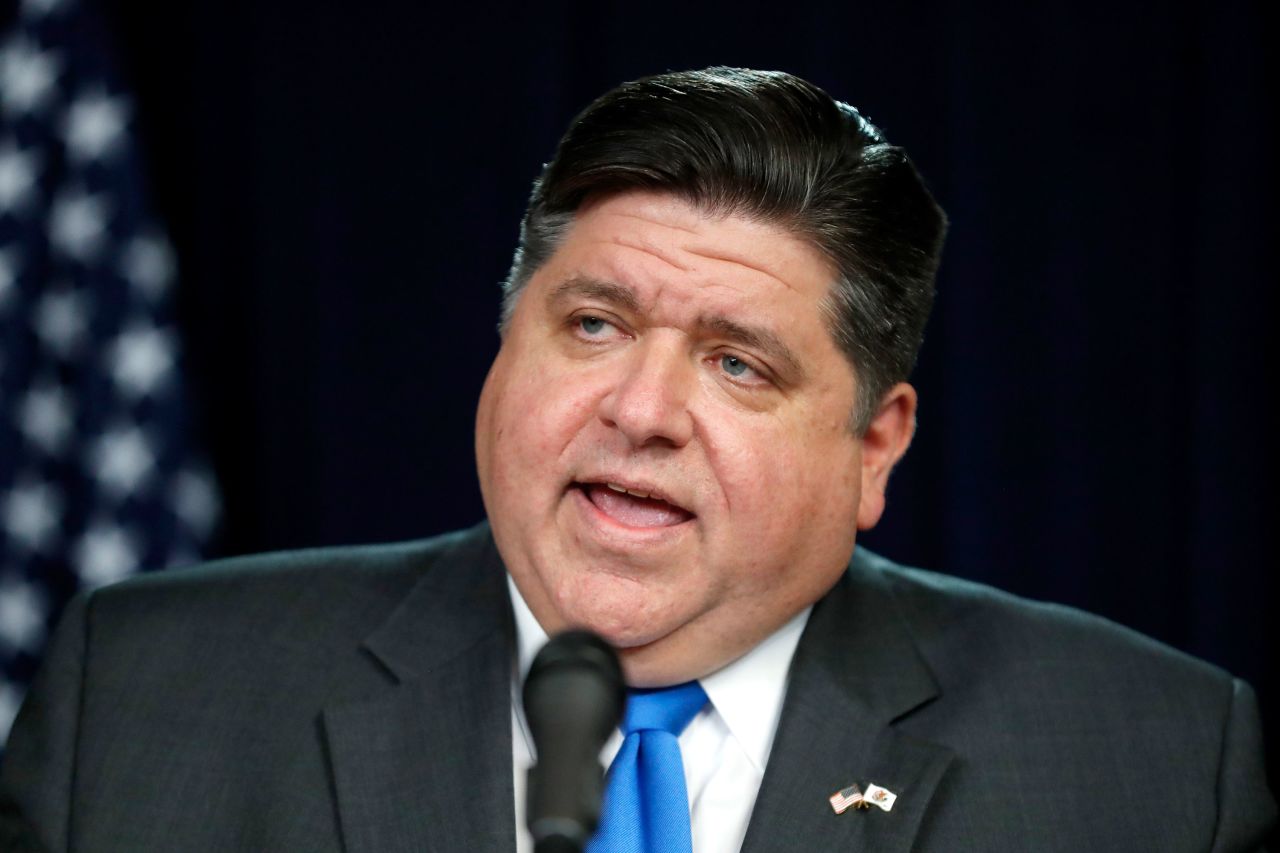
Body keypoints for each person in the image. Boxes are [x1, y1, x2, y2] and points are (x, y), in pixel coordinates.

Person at [0, 67, 1274, 852]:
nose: (641, 409)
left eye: (737, 363)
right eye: (594, 325)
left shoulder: (1147, 759)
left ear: (873, 447)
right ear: (504, 343)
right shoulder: (147, 692)